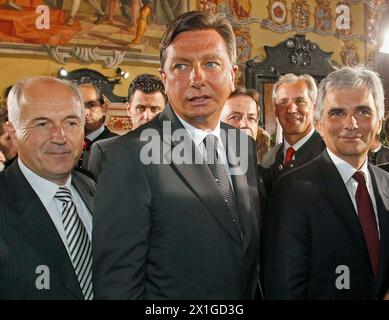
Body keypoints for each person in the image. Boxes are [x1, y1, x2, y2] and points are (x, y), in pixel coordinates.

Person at [93, 11, 260, 299]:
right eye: (181, 66)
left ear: (233, 75)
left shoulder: (242, 145)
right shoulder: (130, 156)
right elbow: (118, 286)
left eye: (211, 64)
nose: (197, 79)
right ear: (165, 78)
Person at [263, 66, 389, 299]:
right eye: (337, 113)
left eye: (363, 112)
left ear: (379, 123)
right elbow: (284, 291)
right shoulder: (291, 192)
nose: (351, 124)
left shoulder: (387, 184)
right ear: (319, 124)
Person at [0, 76, 95, 299]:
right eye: (42, 123)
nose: (60, 137)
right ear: (12, 131)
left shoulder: (94, 189)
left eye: (71, 122)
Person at [87, 73, 167, 180]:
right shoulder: (103, 150)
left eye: (154, 109)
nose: (147, 116)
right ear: (129, 109)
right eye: (140, 108)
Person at [260, 73, 325, 194]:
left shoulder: (330, 155)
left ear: (314, 108)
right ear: (275, 110)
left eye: (300, 101)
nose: (291, 109)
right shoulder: (267, 160)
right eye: (284, 102)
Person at [77, 83, 117, 172]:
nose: (85, 112)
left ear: (104, 109)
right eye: (79, 106)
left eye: (91, 105)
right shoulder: (66, 143)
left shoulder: (118, 144)